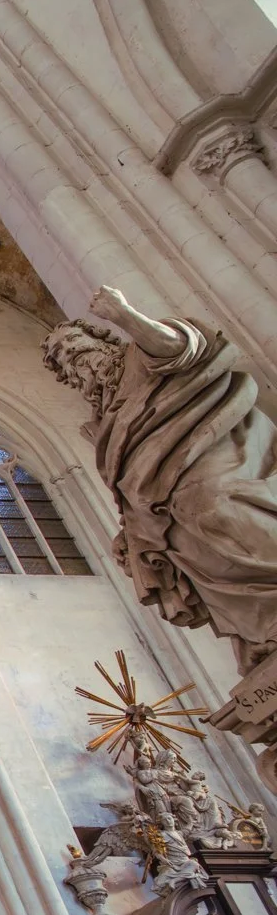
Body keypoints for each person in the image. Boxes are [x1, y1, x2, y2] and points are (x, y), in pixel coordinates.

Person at [44, 286, 277, 670]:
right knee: (182, 540)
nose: (72, 356)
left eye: (72, 342)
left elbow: (179, 348)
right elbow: (130, 487)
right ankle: (263, 629)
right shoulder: (103, 421)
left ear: (99, 338)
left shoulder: (139, 353)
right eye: (63, 358)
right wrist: (130, 536)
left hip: (210, 444)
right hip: (163, 499)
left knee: (212, 505)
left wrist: (124, 315)